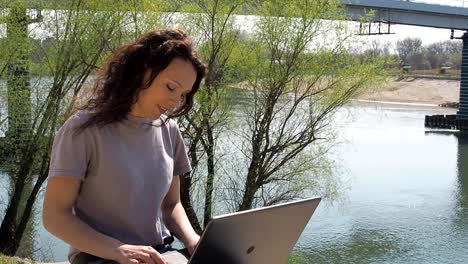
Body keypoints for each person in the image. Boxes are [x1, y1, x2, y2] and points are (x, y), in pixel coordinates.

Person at [42, 29, 207, 264]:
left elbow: (171, 205)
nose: (174, 102)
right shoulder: (83, 130)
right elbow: (55, 216)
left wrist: (193, 240)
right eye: (171, 87)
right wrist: (118, 250)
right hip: (100, 257)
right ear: (141, 72)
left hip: (160, 255)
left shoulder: (170, 130)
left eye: (183, 94)